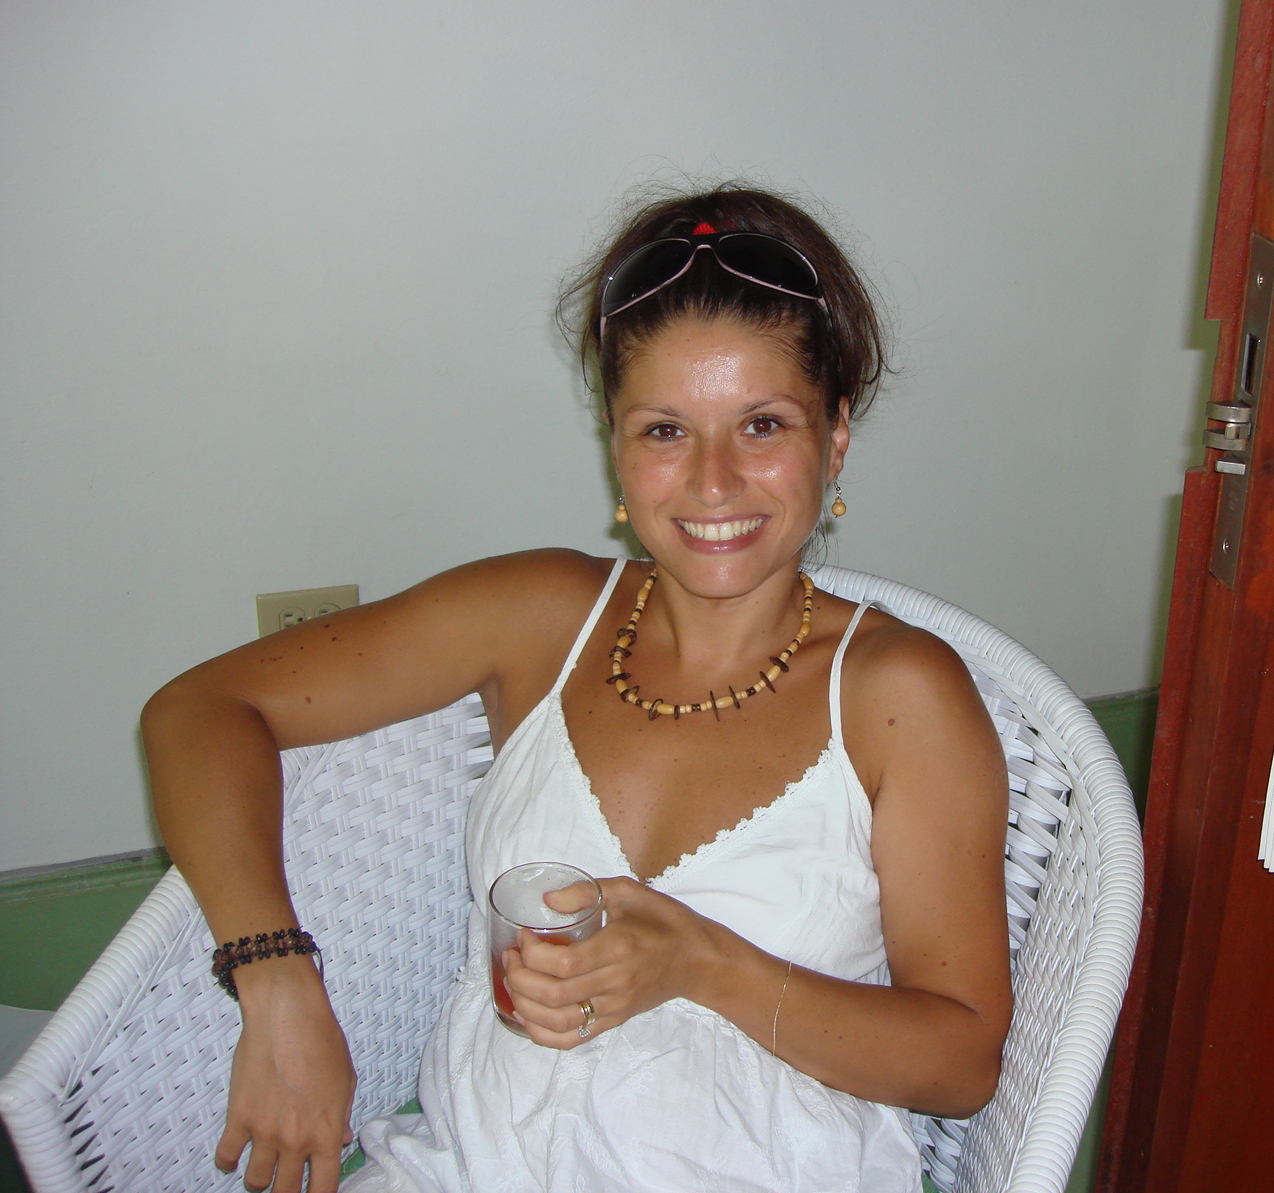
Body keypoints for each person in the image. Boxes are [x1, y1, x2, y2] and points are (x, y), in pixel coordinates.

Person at [143, 184, 1012, 1193]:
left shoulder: (898, 693)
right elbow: (198, 713)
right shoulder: (539, 616)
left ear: (837, 435)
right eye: (665, 431)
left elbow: (961, 1065)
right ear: (614, 443)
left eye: (763, 425)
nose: (714, 482)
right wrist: (278, 982)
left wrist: (704, 965)